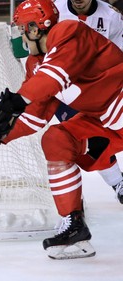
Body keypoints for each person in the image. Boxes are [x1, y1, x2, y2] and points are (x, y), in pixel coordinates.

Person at [0, 0, 123, 259]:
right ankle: (74, 225)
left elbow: (54, 76)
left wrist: (17, 100)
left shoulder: (70, 32)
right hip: (104, 122)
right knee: (56, 139)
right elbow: (34, 117)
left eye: (22, 28)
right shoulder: (36, 65)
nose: (20, 35)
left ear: (35, 27)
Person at [23, 0, 123, 200]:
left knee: (98, 140)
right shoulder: (52, 9)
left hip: (99, 89)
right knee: (88, 142)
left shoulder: (112, 16)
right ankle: (116, 183)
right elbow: (30, 42)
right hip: (63, 88)